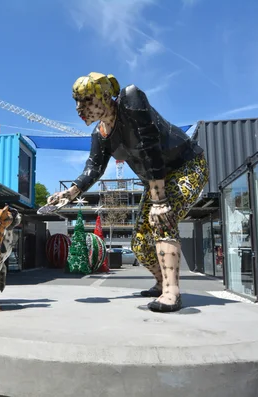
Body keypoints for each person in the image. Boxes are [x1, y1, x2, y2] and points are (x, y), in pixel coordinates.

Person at [46, 72, 209, 312]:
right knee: (140, 244)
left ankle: (172, 292)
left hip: (185, 168)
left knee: (163, 220)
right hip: (154, 182)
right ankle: (160, 282)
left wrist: (160, 200)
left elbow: (150, 148)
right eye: (76, 101)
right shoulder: (100, 134)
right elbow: (93, 169)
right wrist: (69, 193)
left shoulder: (130, 100)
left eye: (87, 100)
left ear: (104, 96)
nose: (80, 108)